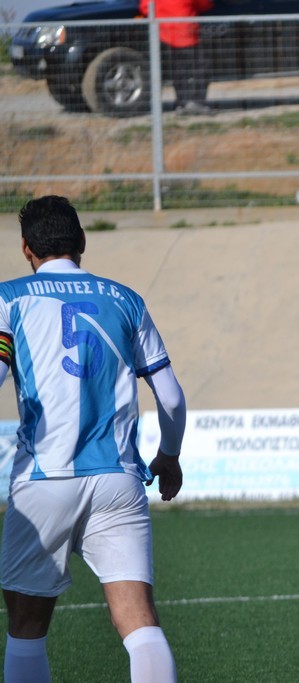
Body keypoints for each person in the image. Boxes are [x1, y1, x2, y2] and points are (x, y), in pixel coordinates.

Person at [0, 196, 187, 683]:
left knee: (26, 630)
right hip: (118, 480)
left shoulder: (8, 299)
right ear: (82, 241)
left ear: (26, 248)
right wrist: (168, 455)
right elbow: (170, 397)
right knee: (139, 623)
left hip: (43, 480)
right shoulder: (126, 300)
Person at [139, 0, 214, 114]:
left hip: (166, 34)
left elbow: (145, 8)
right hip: (187, 34)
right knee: (202, 67)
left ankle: (182, 102)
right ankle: (197, 101)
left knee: (178, 70)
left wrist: (160, 16)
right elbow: (204, 4)